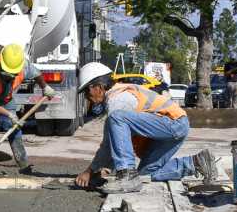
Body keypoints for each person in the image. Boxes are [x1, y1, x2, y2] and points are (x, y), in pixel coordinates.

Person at [74, 62, 218, 194]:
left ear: (98, 86)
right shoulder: (118, 95)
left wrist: (90, 170)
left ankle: (127, 175)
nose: (87, 97)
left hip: (173, 123)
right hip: (173, 126)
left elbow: (109, 144)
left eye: (87, 91)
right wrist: (104, 168)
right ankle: (197, 162)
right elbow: (117, 142)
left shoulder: (118, 100)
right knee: (145, 174)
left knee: (117, 118)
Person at [0, 43, 57, 175]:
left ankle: (23, 163)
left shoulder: (22, 66)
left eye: (13, 74)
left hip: (5, 97)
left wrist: (45, 87)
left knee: (14, 127)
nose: (10, 77)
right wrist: (10, 115)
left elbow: (36, 74)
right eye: (6, 74)